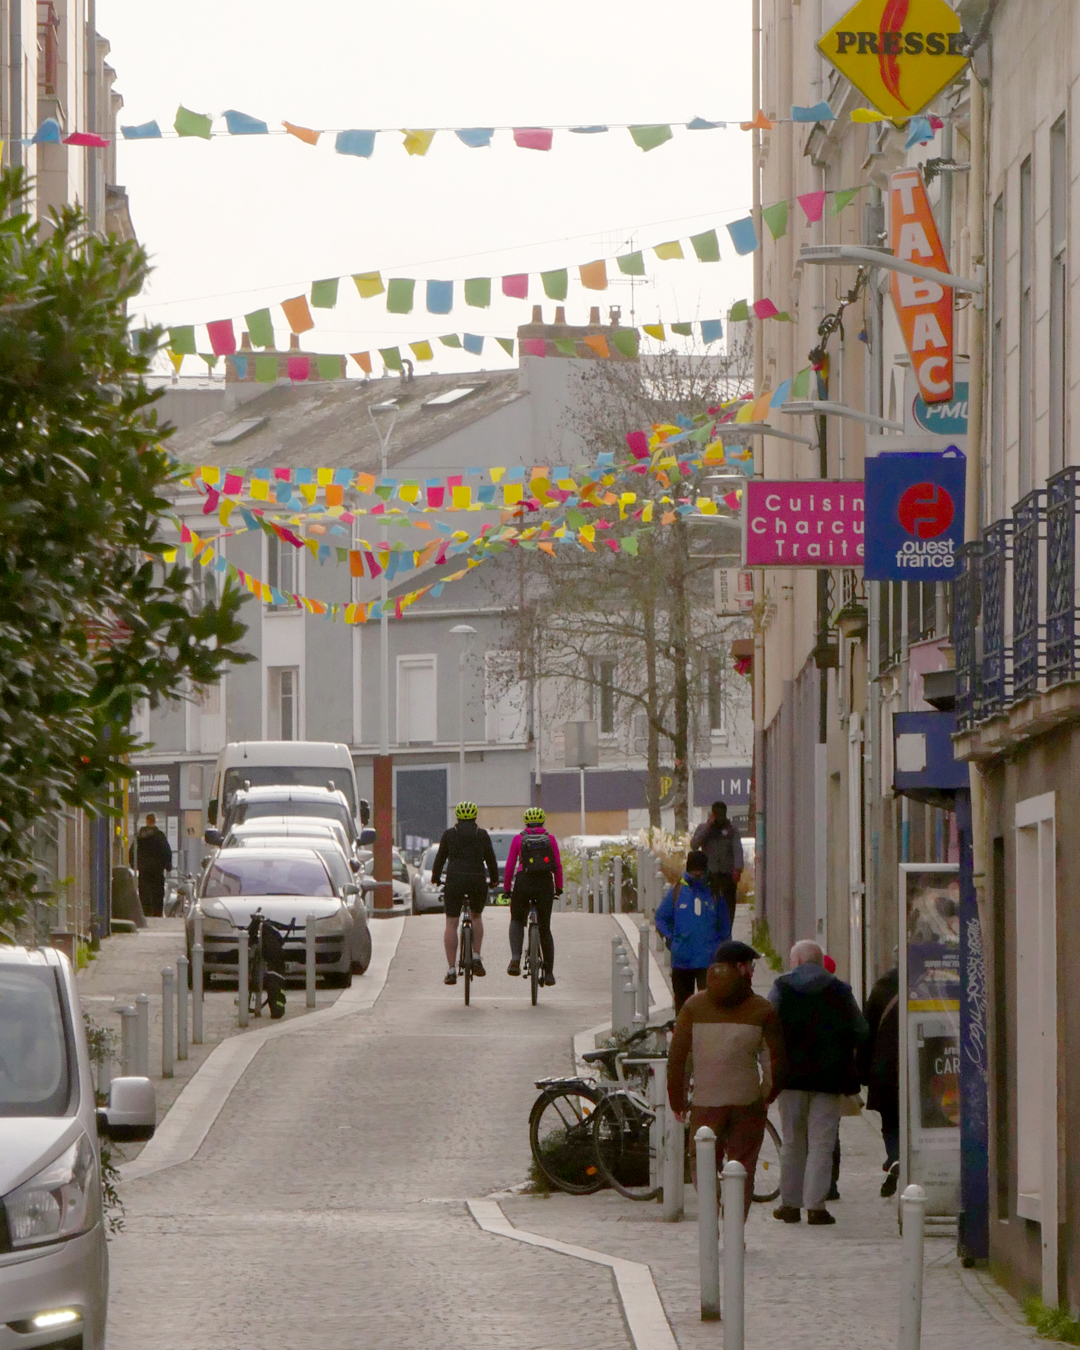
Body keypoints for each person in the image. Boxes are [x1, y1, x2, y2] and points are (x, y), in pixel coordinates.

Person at [667, 938, 786, 1218]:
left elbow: (679, 1059)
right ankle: (733, 1225)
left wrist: (678, 1100)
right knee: (742, 1166)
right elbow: (774, 1064)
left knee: (702, 1162)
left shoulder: (693, 1007)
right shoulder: (762, 1010)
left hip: (705, 1102)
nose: (755, 971)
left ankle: (712, 1212)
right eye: (752, 966)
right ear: (741, 968)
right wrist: (766, 1096)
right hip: (747, 1103)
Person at [768, 939, 868, 1226]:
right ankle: (816, 1207)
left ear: (797, 961)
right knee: (822, 1144)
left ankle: (789, 1205)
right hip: (830, 1078)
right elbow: (860, 1030)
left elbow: (769, 1025)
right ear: (821, 962)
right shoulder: (840, 990)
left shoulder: (781, 988)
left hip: (790, 1078)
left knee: (792, 1142)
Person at [430, 802, 499, 985]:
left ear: (458, 818)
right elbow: (491, 859)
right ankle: (476, 956)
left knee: (452, 922)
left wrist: (435, 878)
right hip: (476, 880)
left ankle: (451, 970)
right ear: (475, 817)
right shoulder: (482, 835)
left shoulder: (449, 835)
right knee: (476, 917)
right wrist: (494, 879)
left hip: (455, 881)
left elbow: (440, 859)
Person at [654, 849, 731, 1012]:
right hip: (682, 960)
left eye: (700, 870)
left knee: (710, 1009)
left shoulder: (714, 893)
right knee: (683, 1011)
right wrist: (669, 939)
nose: (697, 873)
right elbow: (661, 918)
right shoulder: (678, 891)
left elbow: (724, 926)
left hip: (708, 961)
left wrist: (724, 954)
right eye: (694, 869)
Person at [503, 807, 561, 986]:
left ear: (526, 822)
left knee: (517, 920)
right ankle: (549, 973)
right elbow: (557, 865)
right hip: (544, 884)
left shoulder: (518, 839)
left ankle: (515, 958)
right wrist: (558, 887)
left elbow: (510, 865)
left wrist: (507, 889)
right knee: (545, 928)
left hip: (524, 883)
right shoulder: (550, 839)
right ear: (543, 822)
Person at [859, 963, 901, 1197]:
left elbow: (866, 1034)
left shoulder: (881, 988)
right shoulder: (929, 984)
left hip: (886, 1069)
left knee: (891, 1121)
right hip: (924, 1067)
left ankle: (895, 1158)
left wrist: (863, 1072)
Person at [690, 800, 744, 930]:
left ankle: (727, 931)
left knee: (728, 907)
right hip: (710, 875)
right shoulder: (704, 828)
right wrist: (708, 826)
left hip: (727, 875)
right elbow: (694, 845)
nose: (719, 817)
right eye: (716, 814)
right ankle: (711, 930)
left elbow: (738, 849)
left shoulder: (732, 830)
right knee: (709, 904)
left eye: (721, 814)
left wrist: (738, 869)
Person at [128, 813, 172, 918]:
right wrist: (168, 866)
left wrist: (134, 865)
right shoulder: (160, 836)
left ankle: (146, 914)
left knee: (144, 893)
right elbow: (167, 852)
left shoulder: (139, 837)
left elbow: (132, 852)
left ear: (147, 821)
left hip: (144, 871)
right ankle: (157, 914)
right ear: (155, 821)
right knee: (158, 893)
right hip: (157, 871)